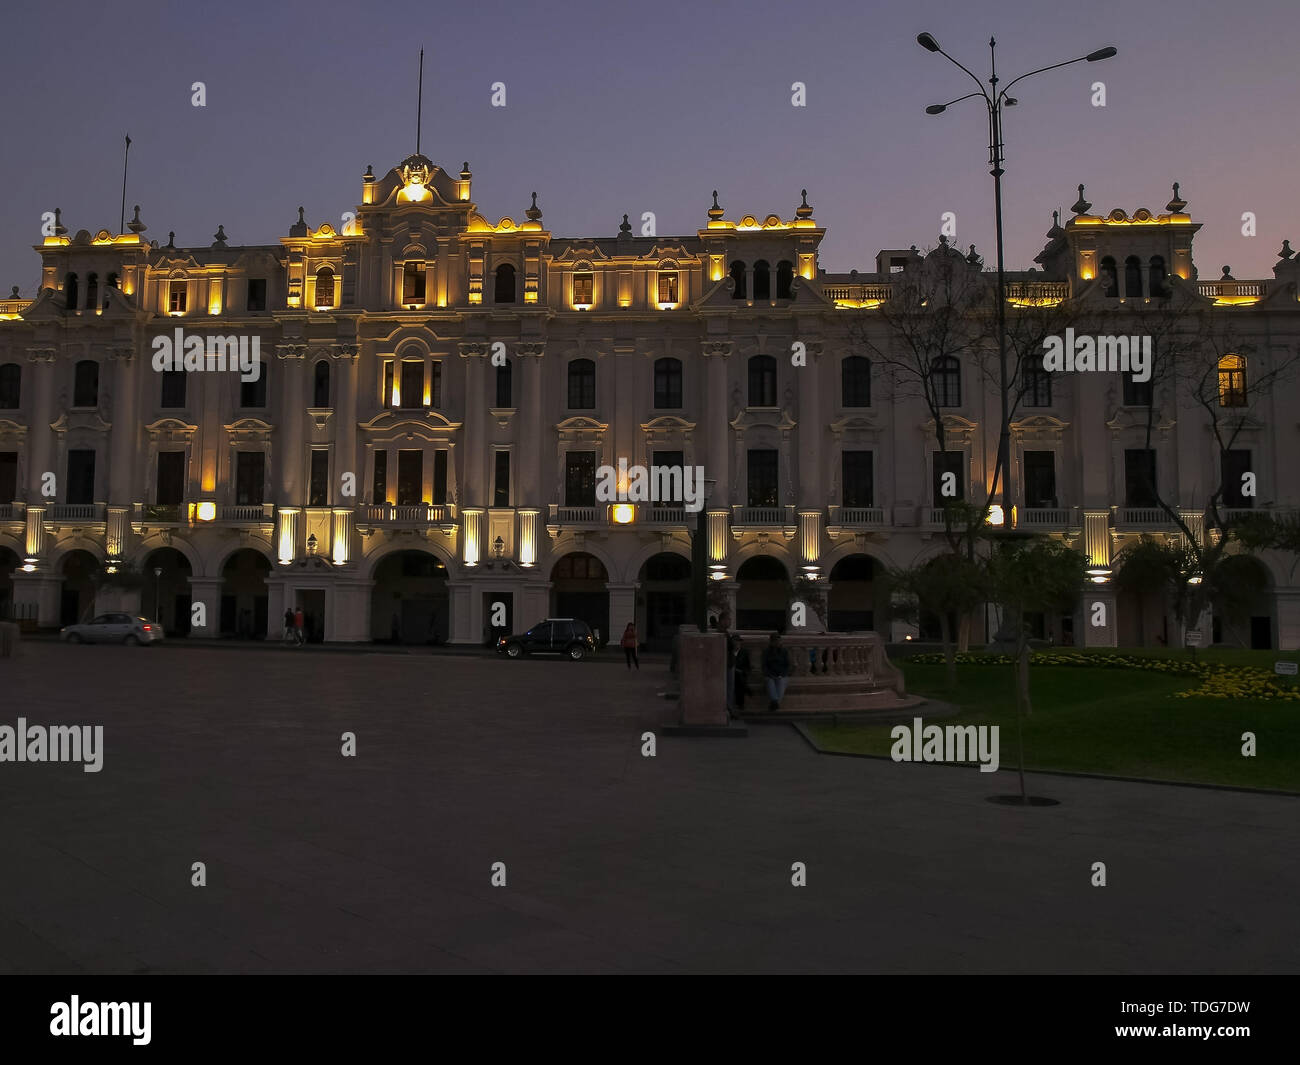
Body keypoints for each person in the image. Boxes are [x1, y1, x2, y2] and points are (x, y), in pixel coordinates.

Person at [761, 632, 791, 711]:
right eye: (775, 641)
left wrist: (781, 675)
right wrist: (770, 675)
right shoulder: (766, 652)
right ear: (771, 642)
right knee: (769, 681)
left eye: (779, 641)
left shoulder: (784, 651)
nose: (777, 643)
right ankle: (775, 702)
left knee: (781, 682)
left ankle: (774, 702)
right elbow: (764, 666)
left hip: (782, 675)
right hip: (770, 675)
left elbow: (787, 666)